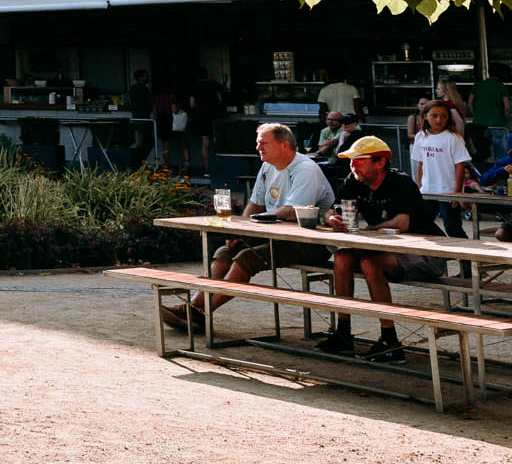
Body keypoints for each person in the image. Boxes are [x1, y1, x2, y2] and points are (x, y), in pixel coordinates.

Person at [161, 124, 334, 330]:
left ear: (285, 145)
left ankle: (200, 313)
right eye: (258, 143)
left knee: (246, 258)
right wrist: (239, 232)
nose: (258, 147)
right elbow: (255, 204)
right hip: (277, 235)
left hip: (310, 241)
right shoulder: (268, 165)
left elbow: (291, 212)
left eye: (264, 143)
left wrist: (256, 221)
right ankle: (193, 309)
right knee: (225, 251)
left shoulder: (305, 169)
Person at [318, 139, 448, 362]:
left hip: (425, 253)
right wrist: (333, 219)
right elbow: (331, 210)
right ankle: (343, 332)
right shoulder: (354, 180)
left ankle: (390, 340)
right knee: (341, 257)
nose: (353, 166)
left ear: (380, 163)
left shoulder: (401, 182)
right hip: (382, 248)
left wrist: (369, 229)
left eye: (359, 160)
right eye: (351, 161)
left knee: (370, 262)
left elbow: (402, 223)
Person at [410, 100, 472, 237]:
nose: (439, 120)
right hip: (427, 190)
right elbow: (421, 163)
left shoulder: (453, 138)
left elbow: (460, 165)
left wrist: (457, 193)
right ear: (425, 116)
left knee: (452, 226)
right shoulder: (421, 136)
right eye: (435, 116)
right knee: (422, 224)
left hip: (447, 191)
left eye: (443, 116)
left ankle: (465, 256)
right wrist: (419, 186)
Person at [185, 66, 226, 178]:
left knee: (205, 143)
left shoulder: (194, 87)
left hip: (202, 117)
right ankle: (220, 168)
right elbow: (223, 94)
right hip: (215, 115)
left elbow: (192, 104)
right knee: (217, 142)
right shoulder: (213, 84)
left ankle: (207, 170)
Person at [127, 69, 155, 162]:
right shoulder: (143, 89)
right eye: (145, 76)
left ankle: (138, 161)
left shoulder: (133, 89)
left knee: (143, 141)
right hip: (144, 118)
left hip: (137, 117)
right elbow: (149, 103)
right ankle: (138, 161)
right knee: (145, 142)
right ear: (140, 78)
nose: (147, 77)